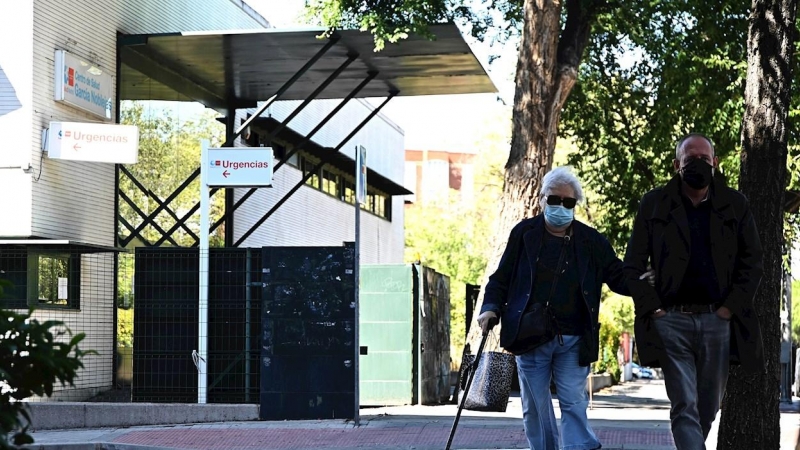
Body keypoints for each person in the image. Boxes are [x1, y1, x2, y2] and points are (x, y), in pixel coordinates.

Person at [477, 166, 634, 450]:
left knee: (573, 400)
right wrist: (490, 308)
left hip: (574, 338)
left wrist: (646, 279)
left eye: (568, 202)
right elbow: (501, 278)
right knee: (535, 406)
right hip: (530, 335)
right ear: (542, 199)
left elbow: (618, 277)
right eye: (554, 199)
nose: (560, 206)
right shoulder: (524, 234)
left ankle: (578, 447)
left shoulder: (591, 241)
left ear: (576, 204)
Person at [623, 133, 764, 450]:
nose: (698, 164)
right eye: (690, 160)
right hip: (671, 320)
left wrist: (728, 309)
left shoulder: (735, 205)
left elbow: (753, 263)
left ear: (715, 162)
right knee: (684, 403)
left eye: (704, 158)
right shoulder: (654, 204)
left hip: (719, 320)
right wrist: (655, 309)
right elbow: (632, 265)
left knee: (707, 406)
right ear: (677, 165)